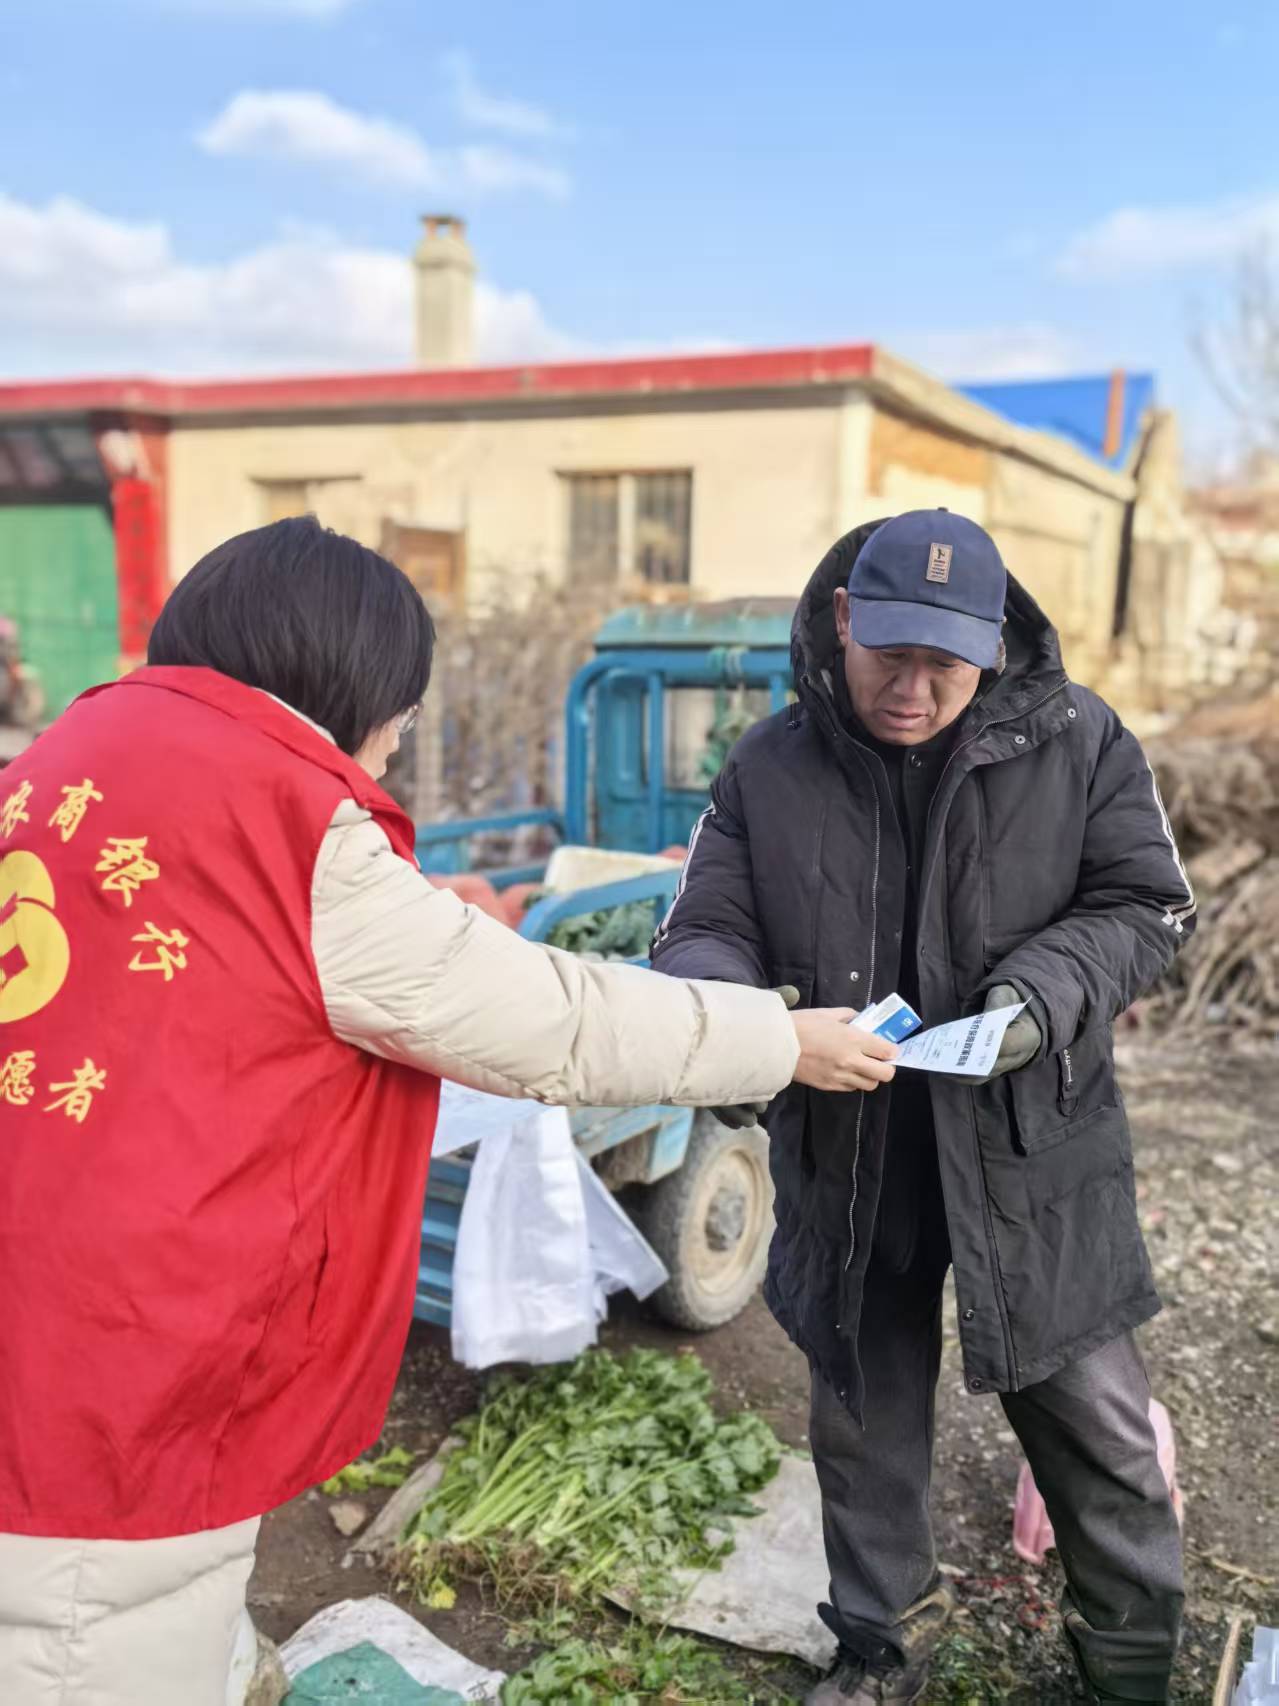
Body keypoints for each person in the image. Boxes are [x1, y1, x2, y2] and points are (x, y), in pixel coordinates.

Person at [0, 516, 898, 1706]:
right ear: (354, 687)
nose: (394, 745)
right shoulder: (281, 820)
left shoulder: (62, 758)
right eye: (404, 715)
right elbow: (554, 1014)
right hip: (107, 1370)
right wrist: (778, 1037)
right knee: (85, 1635)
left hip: (37, 1269)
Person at [651, 510, 1195, 1706]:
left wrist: (1034, 1002)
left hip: (1028, 1144)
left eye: (945, 662)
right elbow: (701, 926)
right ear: (844, 619)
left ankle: (1128, 1665)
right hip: (851, 1147)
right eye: (888, 652)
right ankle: (879, 1645)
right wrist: (758, 1026)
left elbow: (1145, 905)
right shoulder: (768, 764)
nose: (913, 686)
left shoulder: (1081, 742)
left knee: (1097, 1426)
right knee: (860, 1417)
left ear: (992, 645)